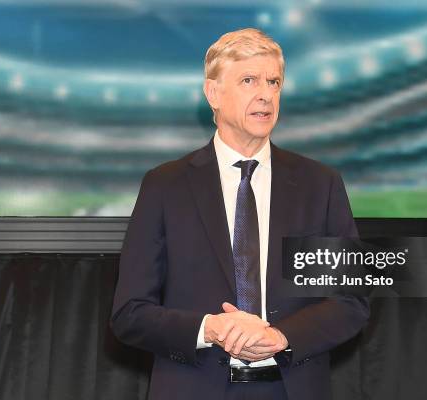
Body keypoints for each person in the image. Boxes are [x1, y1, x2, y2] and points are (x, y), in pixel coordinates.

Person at [111, 28, 369, 400]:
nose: (266, 94)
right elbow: (130, 313)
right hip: (194, 388)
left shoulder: (319, 184)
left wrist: (281, 336)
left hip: (290, 388)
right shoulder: (165, 186)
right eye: (249, 80)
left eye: (274, 82)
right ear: (213, 93)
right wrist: (211, 328)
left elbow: (350, 301)